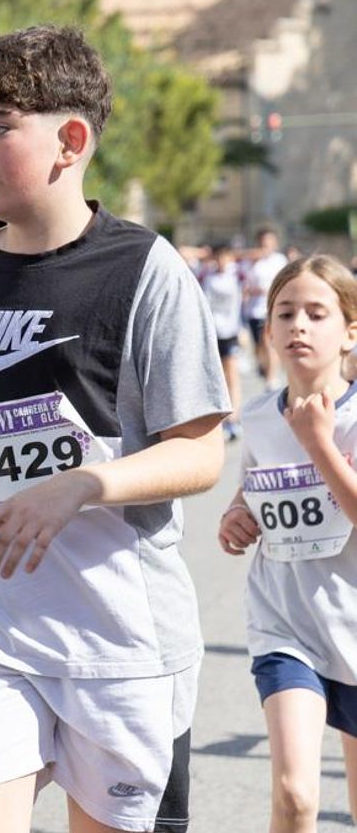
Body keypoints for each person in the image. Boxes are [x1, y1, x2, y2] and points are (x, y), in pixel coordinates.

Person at [0, 25, 230, 833]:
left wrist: (81, 486)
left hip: (116, 638)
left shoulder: (147, 272)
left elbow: (201, 450)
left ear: (70, 140)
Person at [217, 256, 357, 832]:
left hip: (352, 626)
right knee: (297, 794)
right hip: (286, 626)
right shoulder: (259, 415)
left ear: (351, 331)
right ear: (268, 331)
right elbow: (254, 488)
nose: (299, 324)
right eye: (285, 313)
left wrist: (320, 443)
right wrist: (235, 515)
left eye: (316, 313)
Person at [200, 244, 245, 441]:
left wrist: (242, 327)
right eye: (218, 258)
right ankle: (219, 419)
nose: (222, 261)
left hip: (231, 331)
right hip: (211, 332)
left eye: (225, 257)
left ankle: (234, 420)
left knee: (232, 375)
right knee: (216, 377)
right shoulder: (205, 276)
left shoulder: (238, 275)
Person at [244, 227, 290, 386]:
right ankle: (264, 368)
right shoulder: (252, 261)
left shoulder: (279, 260)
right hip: (253, 309)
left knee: (268, 341)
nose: (266, 245)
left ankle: (272, 378)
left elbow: (284, 281)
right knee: (258, 345)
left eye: (269, 241)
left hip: (271, 307)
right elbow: (245, 283)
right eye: (263, 242)